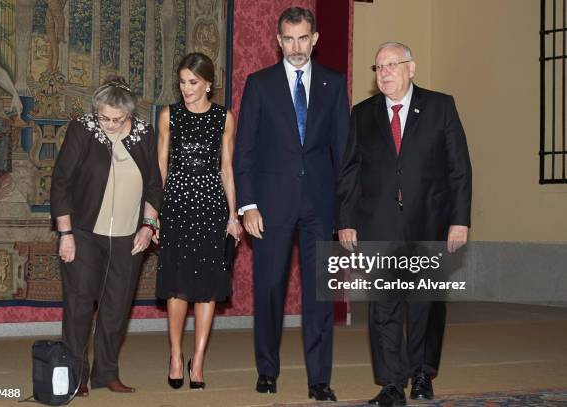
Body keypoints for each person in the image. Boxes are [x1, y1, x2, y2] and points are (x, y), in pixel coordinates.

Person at [335, 42, 472, 407]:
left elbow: (459, 168)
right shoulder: (362, 113)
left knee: (425, 302)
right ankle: (392, 383)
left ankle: (423, 373)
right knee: (383, 307)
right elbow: (350, 171)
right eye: (378, 67)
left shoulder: (441, 106)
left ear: (411, 69)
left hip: (429, 222)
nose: (384, 72)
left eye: (392, 65)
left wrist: (459, 220)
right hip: (377, 224)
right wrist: (346, 221)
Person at [234, 7, 349, 402]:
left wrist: (344, 212)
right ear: (278, 40)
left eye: (303, 38)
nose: (296, 47)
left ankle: (320, 380)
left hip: (320, 206)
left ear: (314, 39)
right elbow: (244, 150)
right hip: (270, 207)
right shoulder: (260, 84)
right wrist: (247, 205)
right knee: (269, 290)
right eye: (289, 39)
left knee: (320, 295)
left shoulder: (334, 84)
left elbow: (344, 154)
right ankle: (267, 370)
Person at [50, 76, 162, 397]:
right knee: (80, 306)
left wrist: (148, 225)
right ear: (96, 110)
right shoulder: (83, 130)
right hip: (84, 233)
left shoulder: (144, 135)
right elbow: (61, 182)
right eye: (104, 117)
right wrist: (66, 232)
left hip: (128, 238)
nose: (110, 125)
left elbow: (154, 184)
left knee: (115, 309)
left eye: (117, 120)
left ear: (129, 115)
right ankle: (75, 375)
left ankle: (107, 373)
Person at [156, 52, 241, 390]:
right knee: (177, 288)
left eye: (193, 82)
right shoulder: (169, 116)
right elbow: (161, 167)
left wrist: (233, 216)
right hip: (176, 208)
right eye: (182, 82)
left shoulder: (224, 117)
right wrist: (156, 215)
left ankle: (199, 359)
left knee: (207, 290)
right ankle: (176, 355)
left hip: (211, 210)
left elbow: (227, 169)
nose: (186, 88)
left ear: (208, 84)